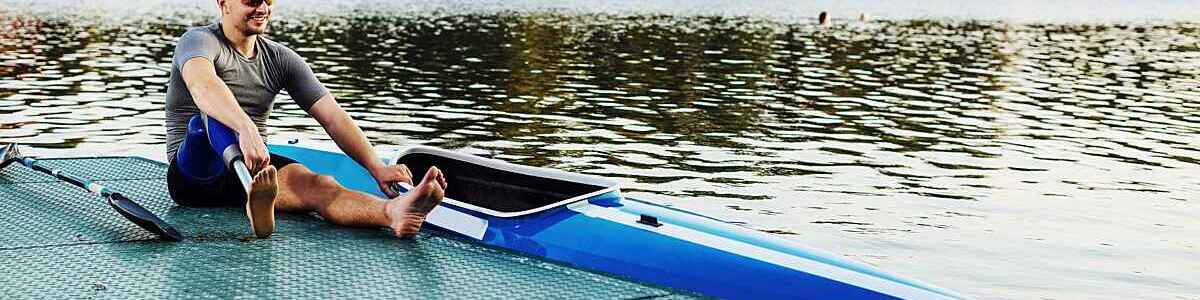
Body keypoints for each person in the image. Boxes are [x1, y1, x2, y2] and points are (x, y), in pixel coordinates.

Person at [163, 0, 446, 239]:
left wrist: (377, 168)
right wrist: (245, 127)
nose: (262, 7)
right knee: (202, 124)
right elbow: (203, 85)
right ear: (223, 2)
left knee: (320, 185)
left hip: (257, 170)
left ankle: (394, 213)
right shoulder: (198, 41)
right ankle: (251, 193)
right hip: (194, 175)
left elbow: (333, 117)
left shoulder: (281, 59)